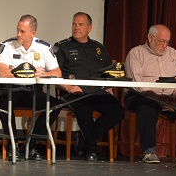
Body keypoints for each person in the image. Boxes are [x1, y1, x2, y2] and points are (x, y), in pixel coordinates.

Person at [125, 24, 176, 165]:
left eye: (167, 42)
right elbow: (137, 84)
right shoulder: (136, 53)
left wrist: (175, 98)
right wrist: (160, 100)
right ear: (150, 38)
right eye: (161, 41)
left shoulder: (173, 54)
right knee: (147, 108)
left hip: (170, 99)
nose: (165, 46)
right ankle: (149, 151)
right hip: (142, 96)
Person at [53, 12, 125, 161]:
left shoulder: (99, 48)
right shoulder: (62, 47)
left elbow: (108, 72)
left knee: (118, 111)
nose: (76, 28)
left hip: (98, 93)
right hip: (74, 92)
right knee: (84, 110)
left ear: (89, 28)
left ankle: (84, 139)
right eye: (74, 24)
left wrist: (109, 87)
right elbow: (54, 74)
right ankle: (91, 149)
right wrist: (68, 88)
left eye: (80, 24)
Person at [0, 14, 62, 161]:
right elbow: (2, 72)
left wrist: (43, 74)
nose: (18, 34)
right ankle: (13, 146)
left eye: (23, 32)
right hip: (9, 89)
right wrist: (29, 74)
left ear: (33, 33)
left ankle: (30, 144)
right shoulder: (7, 45)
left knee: (55, 105)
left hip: (31, 91)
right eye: (17, 30)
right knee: (3, 103)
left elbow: (57, 73)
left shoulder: (44, 47)